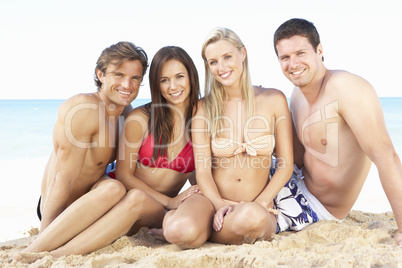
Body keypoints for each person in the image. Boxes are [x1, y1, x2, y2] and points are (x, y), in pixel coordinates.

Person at [13, 41, 149, 261]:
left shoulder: (126, 115)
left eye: (135, 78)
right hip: (60, 207)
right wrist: (43, 239)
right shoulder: (84, 109)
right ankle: (40, 250)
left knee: (116, 188)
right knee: (113, 189)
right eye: (119, 75)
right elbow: (62, 179)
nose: (127, 84)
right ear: (101, 74)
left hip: (93, 199)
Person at [273, 18, 402, 243]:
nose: (293, 64)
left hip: (316, 208)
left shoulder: (346, 88)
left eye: (300, 53)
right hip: (294, 184)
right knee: (217, 160)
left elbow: (386, 156)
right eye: (285, 57)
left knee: (236, 218)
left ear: (319, 50)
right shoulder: (296, 96)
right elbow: (299, 159)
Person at [164, 27, 294, 247]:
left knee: (250, 218)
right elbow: (203, 171)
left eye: (227, 57)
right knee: (179, 232)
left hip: (255, 204)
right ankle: (178, 222)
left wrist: (263, 202)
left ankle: (205, 232)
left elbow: (285, 165)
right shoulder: (203, 108)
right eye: (213, 62)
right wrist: (218, 205)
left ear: (242, 53)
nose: (221, 67)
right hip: (211, 200)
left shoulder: (274, 99)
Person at [114, 46, 214, 249]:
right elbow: (124, 175)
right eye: (164, 80)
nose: (173, 86)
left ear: (191, 77)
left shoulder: (202, 118)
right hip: (124, 199)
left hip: (159, 211)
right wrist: (169, 202)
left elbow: (200, 171)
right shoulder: (141, 119)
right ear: (156, 84)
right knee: (136, 198)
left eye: (179, 77)